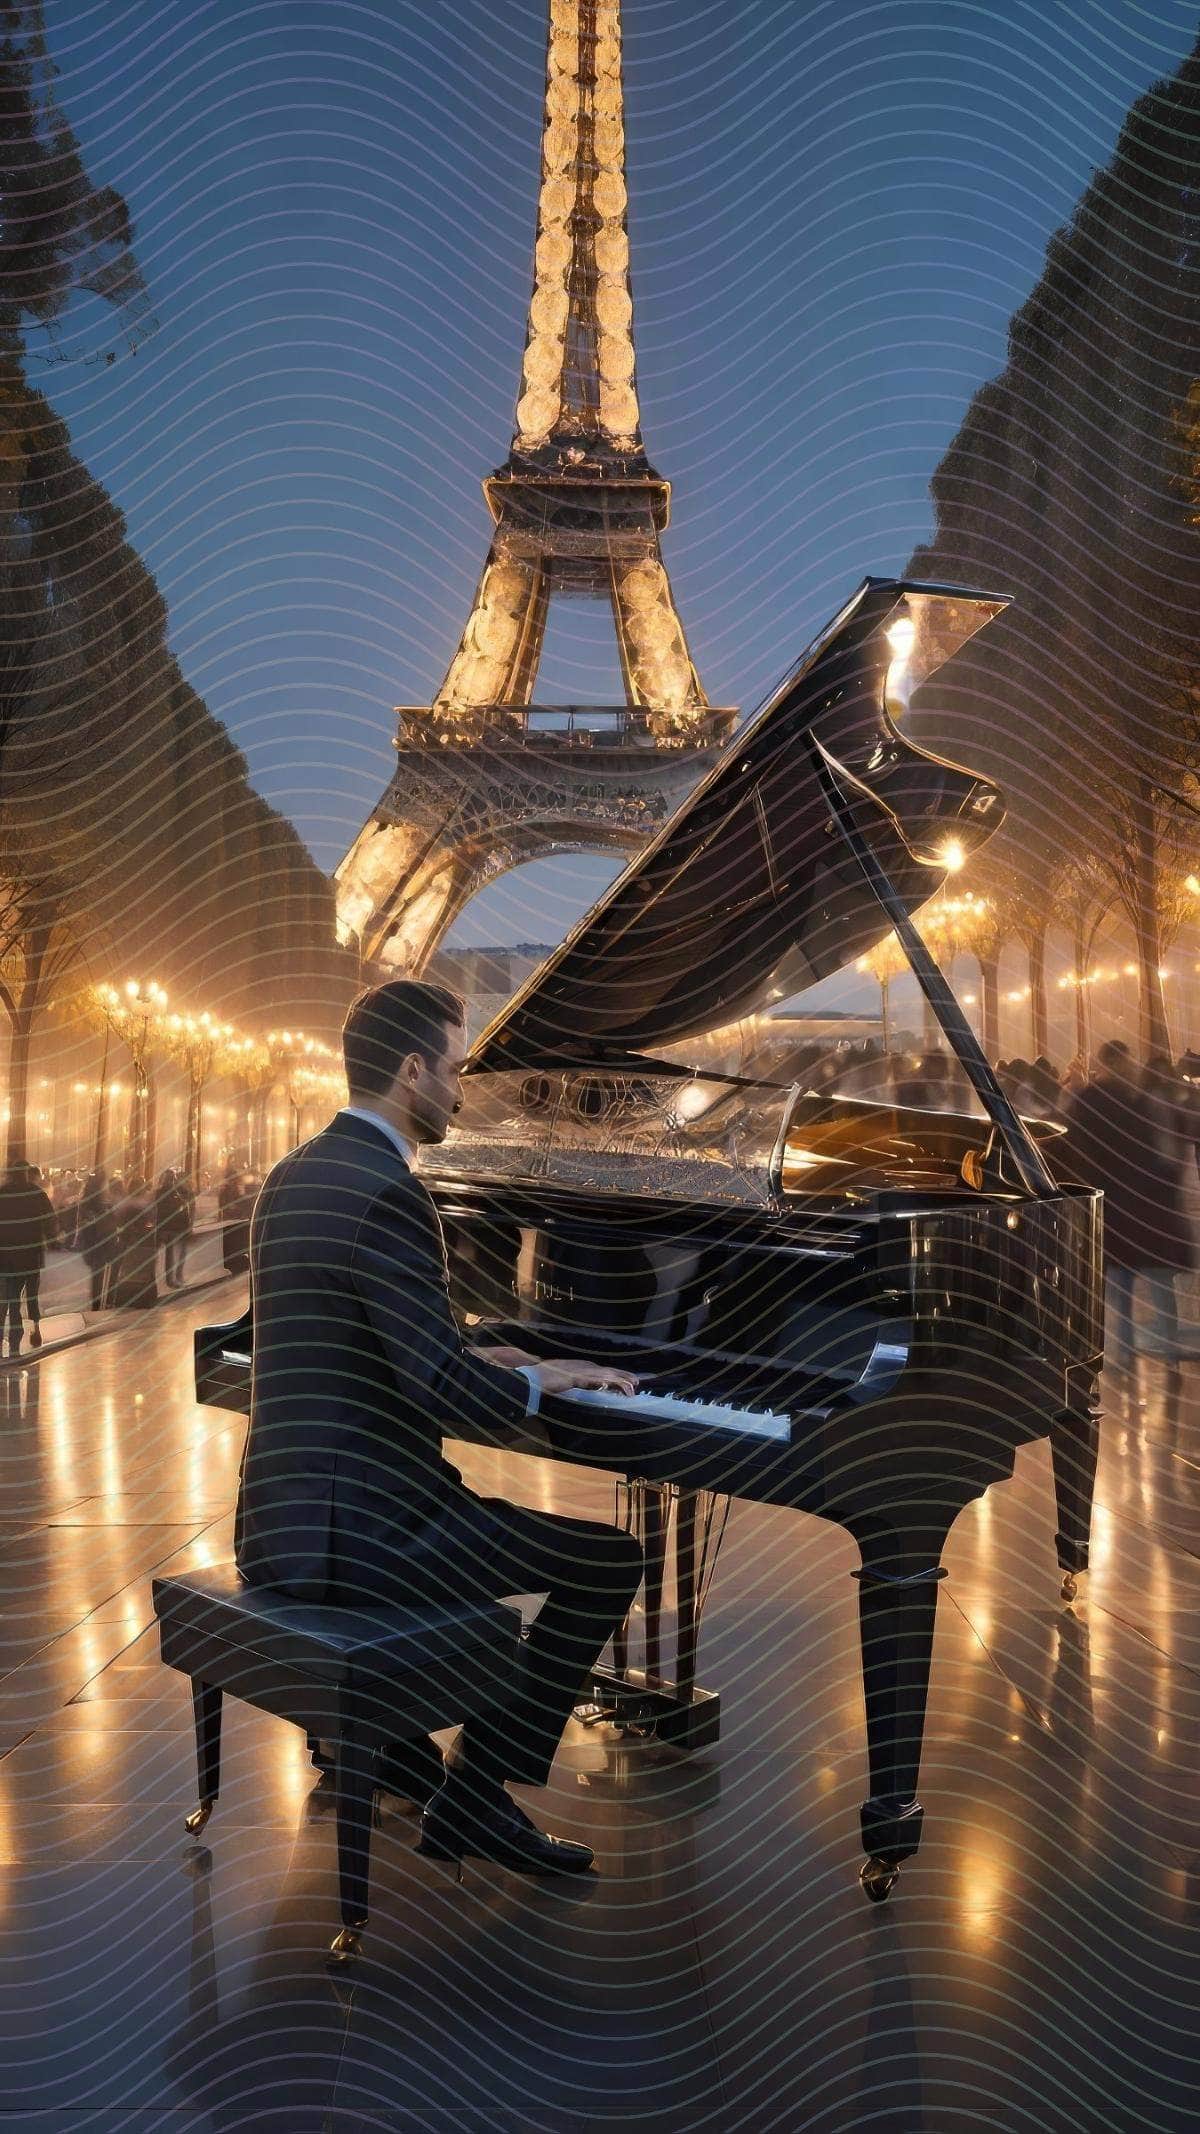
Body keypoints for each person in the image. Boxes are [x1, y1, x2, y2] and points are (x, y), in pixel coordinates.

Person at [235, 979, 644, 1876]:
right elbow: (439, 1389)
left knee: (540, 1543)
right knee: (608, 1559)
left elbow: (378, 1346)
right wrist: (540, 1383)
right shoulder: (392, 1192)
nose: (462, 1092)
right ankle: (472, 1798)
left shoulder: (293, 1175)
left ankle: (401, 1754)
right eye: (454, 1070)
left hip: (278, 1524)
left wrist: (506, 1362)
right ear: (413, 1070)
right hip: (373, 1537)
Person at [1063, 1040, 1196, 1364]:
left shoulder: (1090, 1101)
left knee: (1121, 1284)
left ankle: (1122, 1356)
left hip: (1115, 1204)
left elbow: (1073, 1145)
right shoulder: (1139, 1101)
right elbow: (1166, 1154)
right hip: (1146, 1205)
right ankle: (1166, 1350)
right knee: (1156, 1281)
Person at [0, 1161, 57, 1356]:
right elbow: (50, 1220)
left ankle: (12, 1330)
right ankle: (34, 1326)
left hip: (5, 1254)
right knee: (31, 1292)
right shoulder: (36, 1194)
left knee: (9, 1294)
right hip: (30, 1254)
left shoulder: (3, 1193)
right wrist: (53, 1241)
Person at [78, 1170, 119, 1310]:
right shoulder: (105, 1199)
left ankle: (97, 1303)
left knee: (97, 1272)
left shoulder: (86, 1199)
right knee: (105, 1270)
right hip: (104, 1238)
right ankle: (106, 1300)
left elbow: (83, 1221)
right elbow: (112, 1218)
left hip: (91, 1239)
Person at [154, 1168, 193, 1289]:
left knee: (157, 1256)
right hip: (171, 1228)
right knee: (169, 1256)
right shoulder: (175, 1193)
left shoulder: (159, 1193)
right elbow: (183, 1209)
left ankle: (155, 1279)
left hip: (163, 1227)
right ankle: (170, 1280)